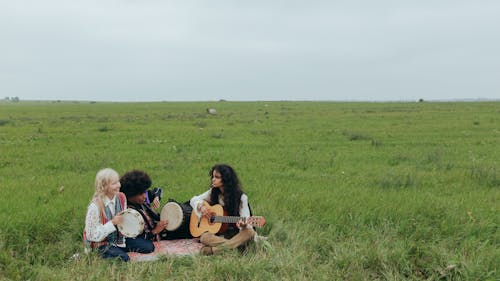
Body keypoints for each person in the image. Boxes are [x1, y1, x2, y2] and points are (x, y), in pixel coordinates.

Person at [84, 168, 153, 262]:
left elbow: (124, 220)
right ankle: (103, 253)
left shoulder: (121, 197)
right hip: (102, 243)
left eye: (118, 182)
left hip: (119, 239)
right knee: (123, 258)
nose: (118, 185)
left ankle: (118, 249)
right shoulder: (95, 206)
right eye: (114, 183)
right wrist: (112, 223)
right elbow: (91, 236)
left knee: (149, 247)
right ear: (104, 186)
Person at [190, 164, 255, 255]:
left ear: (226, 179)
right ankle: (234, 247)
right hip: (220, 234)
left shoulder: (241, 197)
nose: (213, 179)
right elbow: (193, 199)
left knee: (250, 232)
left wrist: (243, 225)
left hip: (235, 233)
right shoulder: (213, 192)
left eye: (217, 177)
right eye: (213, 176)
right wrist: (201, 206)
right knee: (204, 237)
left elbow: (246, 219)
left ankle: (214, 250)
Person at [120, 170, 169, 243]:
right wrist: (155, 231)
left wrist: (156, 197)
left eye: (145, 192)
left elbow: (158, 190)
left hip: (162, 228)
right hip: (155, 236)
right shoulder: (128, 214)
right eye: (141, 194)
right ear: (131, 194)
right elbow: (138, 238)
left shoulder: (143, 198)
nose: (145, 196)